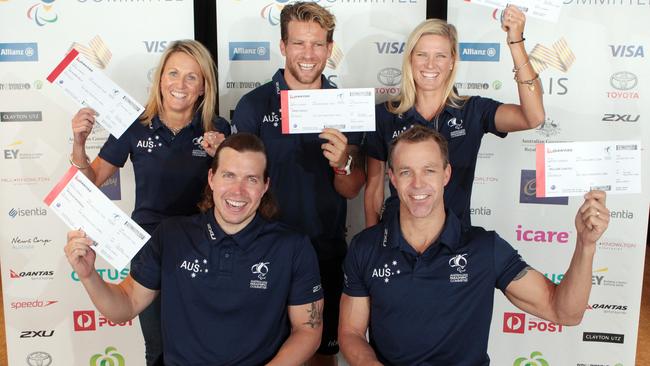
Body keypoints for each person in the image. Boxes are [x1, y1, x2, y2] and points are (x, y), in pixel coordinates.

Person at [339, 125, 609, 365]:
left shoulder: (484, 248)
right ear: (393, 179)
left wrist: (586, 245)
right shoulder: (366, 247)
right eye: (406, 172)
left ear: (446, 175)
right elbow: (351, 332)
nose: (418, 184)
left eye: (429, 170)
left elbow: (564, 312)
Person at [65, 133, 324, 365]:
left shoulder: (293, 246)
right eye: (228, 175)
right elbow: (126, 305)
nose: (238, 190)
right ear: (211, 178)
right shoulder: (171, 235)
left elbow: (308, 329)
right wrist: (89, 275)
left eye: (251, 179)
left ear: (265, 186)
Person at [69, 39, 231, 365]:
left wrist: (223, 158)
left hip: (203, 248)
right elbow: (89, 184)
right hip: (147, 249)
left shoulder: (217, 129)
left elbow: (238, 192)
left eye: (191, 77)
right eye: (172, 73)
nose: (180, 85)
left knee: (206, 345)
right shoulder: (134, 123)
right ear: (159, 79)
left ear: (203, 87)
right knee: (157, 348)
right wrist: (79, 143)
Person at [232, 3, 365, 364]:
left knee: (323, 356)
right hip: (262, 253)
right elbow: (237, 187)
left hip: (325, 250)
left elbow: (352, 188)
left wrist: (342, 163)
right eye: (299, 44)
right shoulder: (253, 105)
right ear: (283, 46)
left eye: (318, 45)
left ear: (329, 48)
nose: (308, 54)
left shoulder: (344, 105)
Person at [364, 8, 545, 229]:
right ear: (410, 59)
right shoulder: (385, 115)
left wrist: (515, 42)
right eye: (422, 54)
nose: (430, 65)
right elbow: (374, 189)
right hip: (398, 239)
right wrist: (372, 245)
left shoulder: (473, 110)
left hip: (456, 247)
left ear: (452, 62)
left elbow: (533, 117)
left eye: (440, 56)